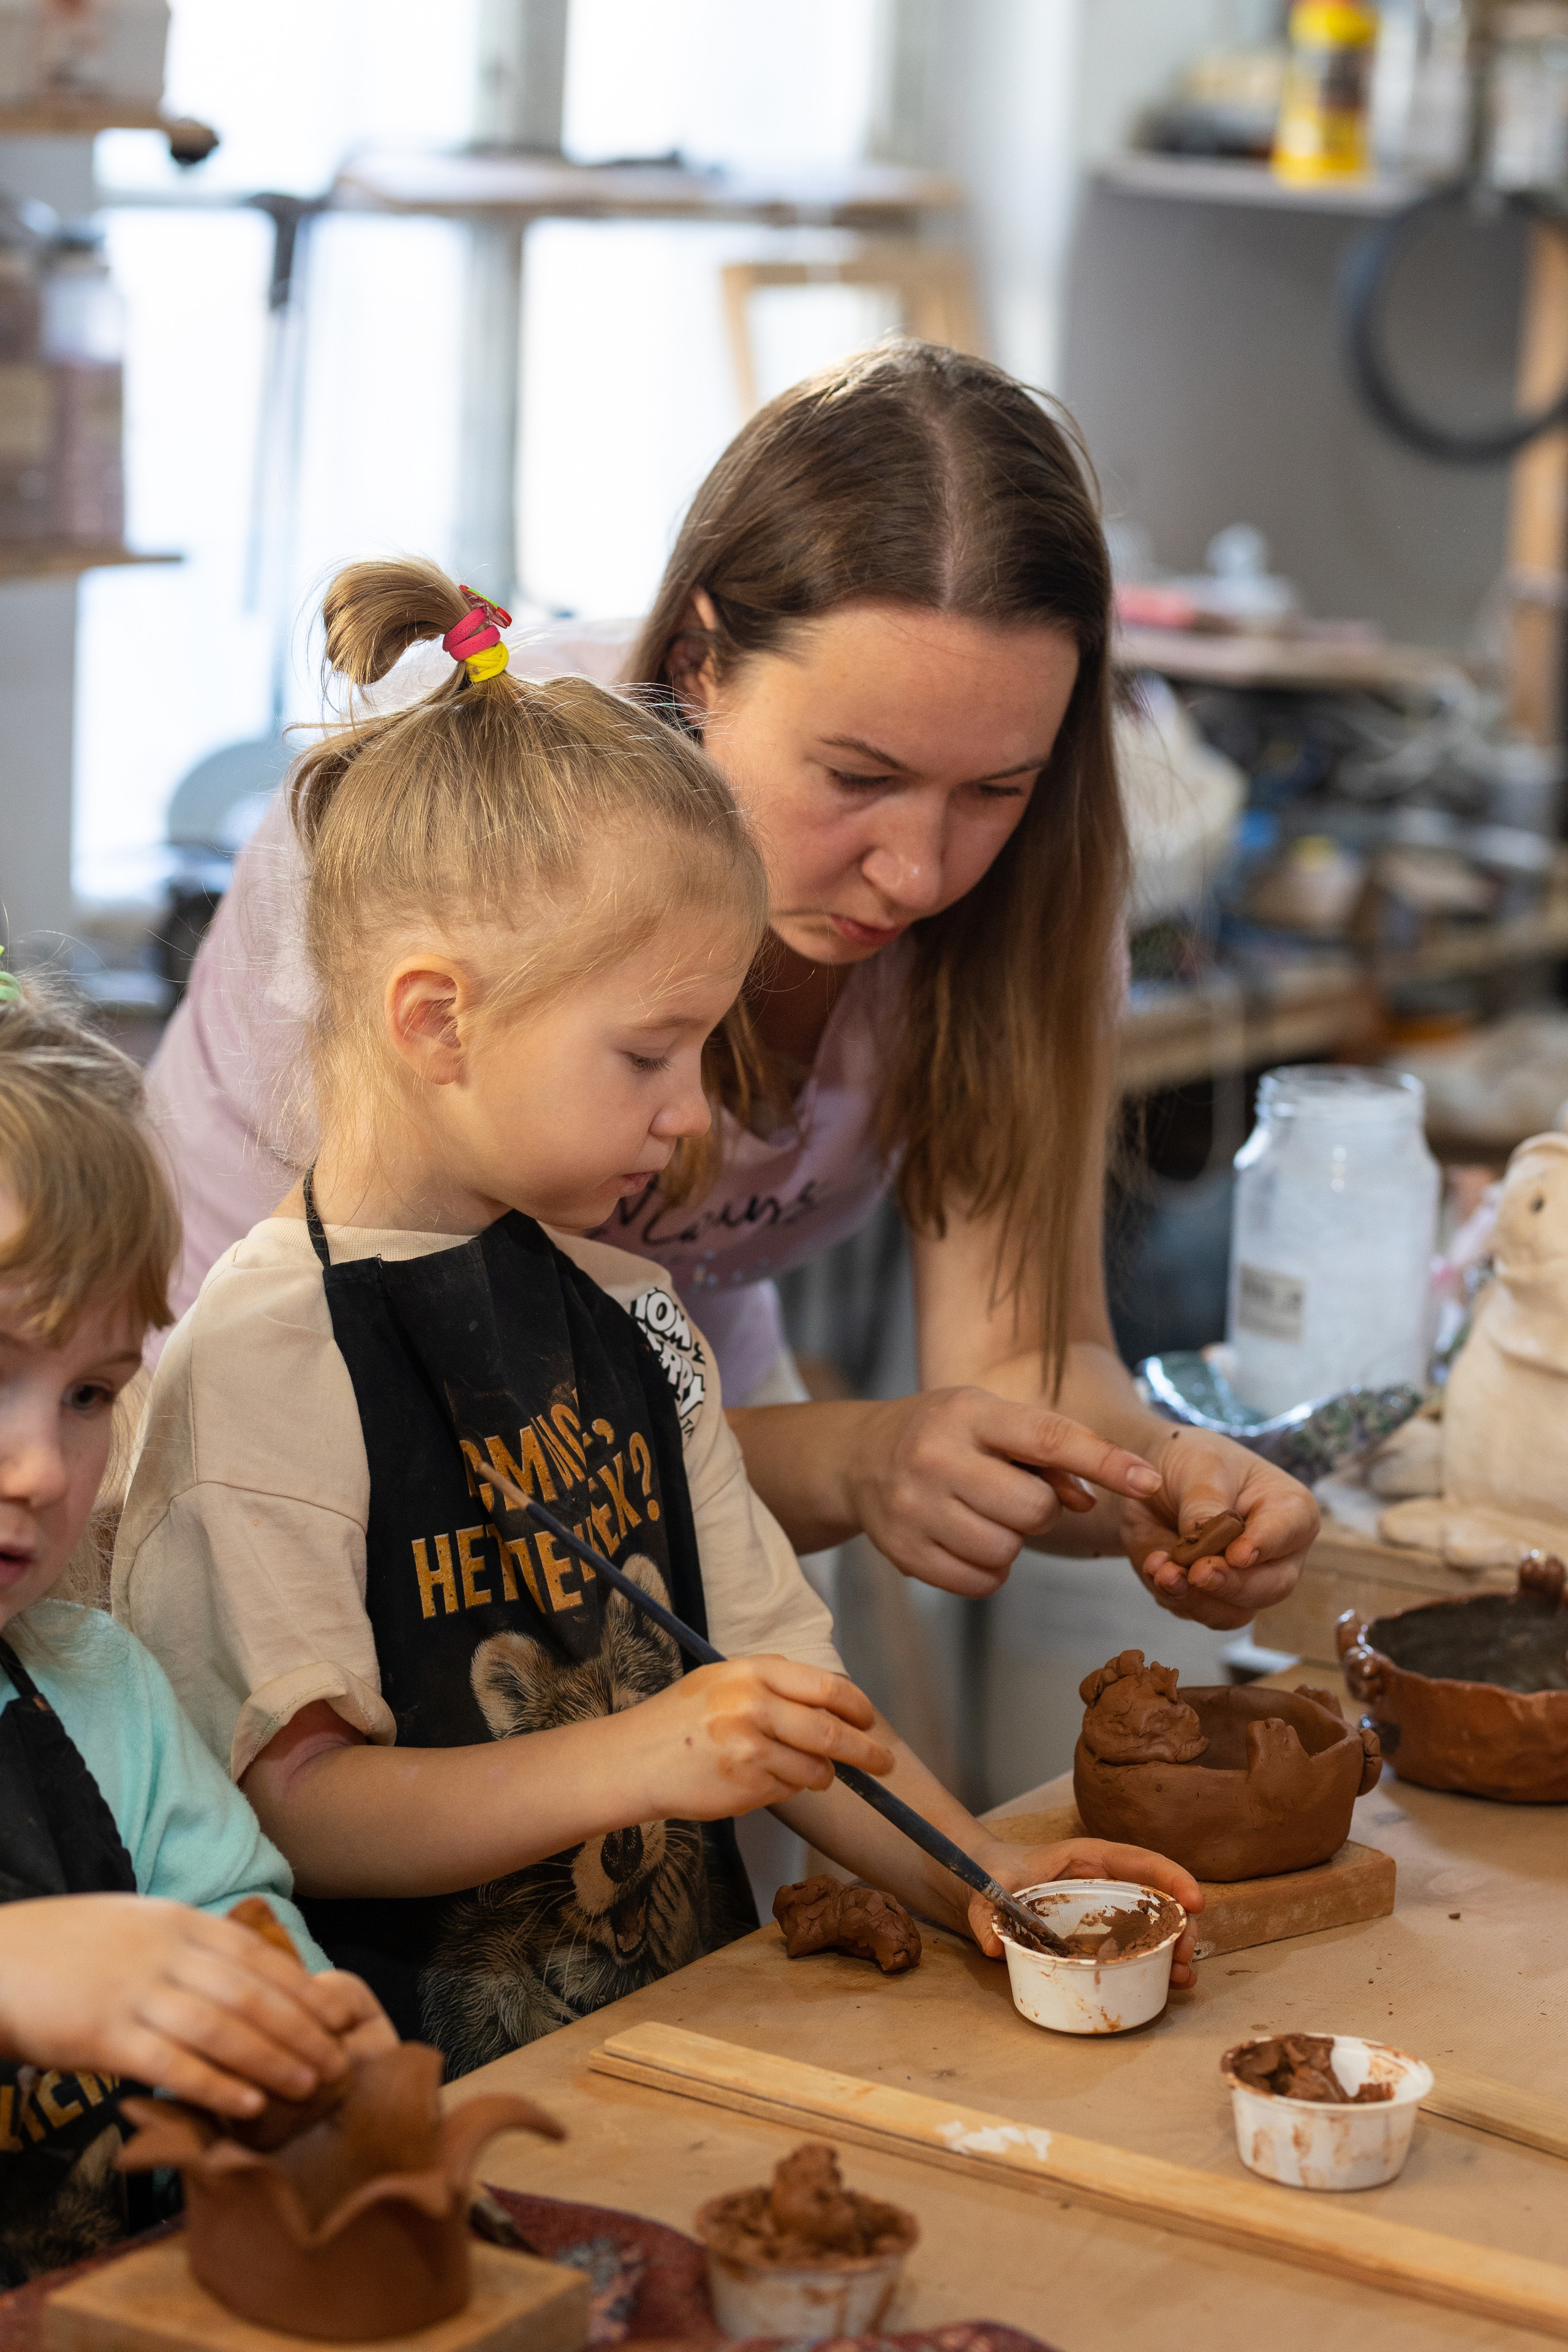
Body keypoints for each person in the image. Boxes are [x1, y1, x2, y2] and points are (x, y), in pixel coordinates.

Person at [115, 560, 1203, 2078]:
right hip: (416, 2108)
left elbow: (786, 1693)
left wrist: (992, 1887)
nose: (693, 1113)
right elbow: (292, 1811)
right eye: (648, 1054)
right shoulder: (264, 1364)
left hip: (666, 2041)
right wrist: (646, 1750)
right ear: (436, 1019)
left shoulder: (632, 1312)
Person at [145, 344, 1318, 1631]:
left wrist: (1153, 1481)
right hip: (281, 1467)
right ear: (699, 661)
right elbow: (439, 1451)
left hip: (674, 1433)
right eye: (857, 778)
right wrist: (851, 1462)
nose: (918, 870)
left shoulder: (1024, 896)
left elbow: (1024, 1368)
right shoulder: (462, 814)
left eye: (996, 788)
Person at [0, 979, 391, 2285]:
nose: (43, 1471)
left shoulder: (97, 1686)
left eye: (88, 1394)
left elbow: (230, 1907)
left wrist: (288, 2011)